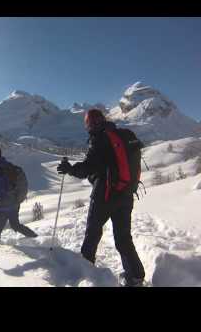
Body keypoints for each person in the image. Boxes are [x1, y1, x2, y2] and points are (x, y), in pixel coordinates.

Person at [57, 109, 145, 287]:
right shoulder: (122, 135)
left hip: (104, 195)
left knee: (92, 232)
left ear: (90, 123)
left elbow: (89, 166)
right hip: (126, 194)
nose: (88, 127)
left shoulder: (100, 139)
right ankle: (135, 276)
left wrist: (69, 169)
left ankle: (86, 272)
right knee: (123, 238)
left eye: (87, 123)